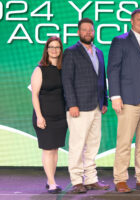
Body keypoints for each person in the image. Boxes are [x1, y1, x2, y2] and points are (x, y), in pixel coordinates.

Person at [107, 8, 140, 193]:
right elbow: (113, 69)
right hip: (128, 99)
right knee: (124, 142)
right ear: (131, 21)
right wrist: (115, 96)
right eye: (139, 19)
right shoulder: (120, 41)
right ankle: (120, 179)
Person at [62, 18, 109, 194]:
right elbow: (67, 80)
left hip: (96, 106)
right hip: (79, 108)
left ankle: (91, 179)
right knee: (77, 145)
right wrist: (72, 104)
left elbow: (101, 79)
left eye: (91, 30)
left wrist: (104, 101)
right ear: (78, 32)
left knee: (93, 145)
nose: (88, 33)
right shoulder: (71, 52)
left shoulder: (99, 52)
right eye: (84, 30)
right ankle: (76, 180)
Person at [31, 36, 67, 194]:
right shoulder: (39, 69)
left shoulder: (63, 69)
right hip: (44, 116)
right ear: (46, 50)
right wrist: (39, 116)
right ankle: (52, 183)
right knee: (47, 149)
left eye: (57, 47)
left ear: (60, 50)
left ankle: (49, 178)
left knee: (55, 149)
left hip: (60, 116)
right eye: (51, 47)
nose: (54, 50)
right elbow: (34, 95)